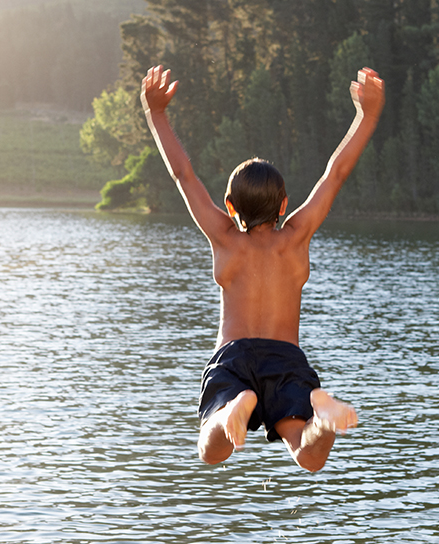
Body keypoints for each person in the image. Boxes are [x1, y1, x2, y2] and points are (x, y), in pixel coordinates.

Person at [141, 64, 384, 472]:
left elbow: (183, 174)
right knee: (308, 456)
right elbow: (336, 173)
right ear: (285, 205)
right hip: (285, 359)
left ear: (231, 207)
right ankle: (322, 420)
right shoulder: (296, 237)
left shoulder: (225, 237)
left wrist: (157, 113)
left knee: (211, 449)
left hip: (233, 358)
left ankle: (232, 408)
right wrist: (368, 115)